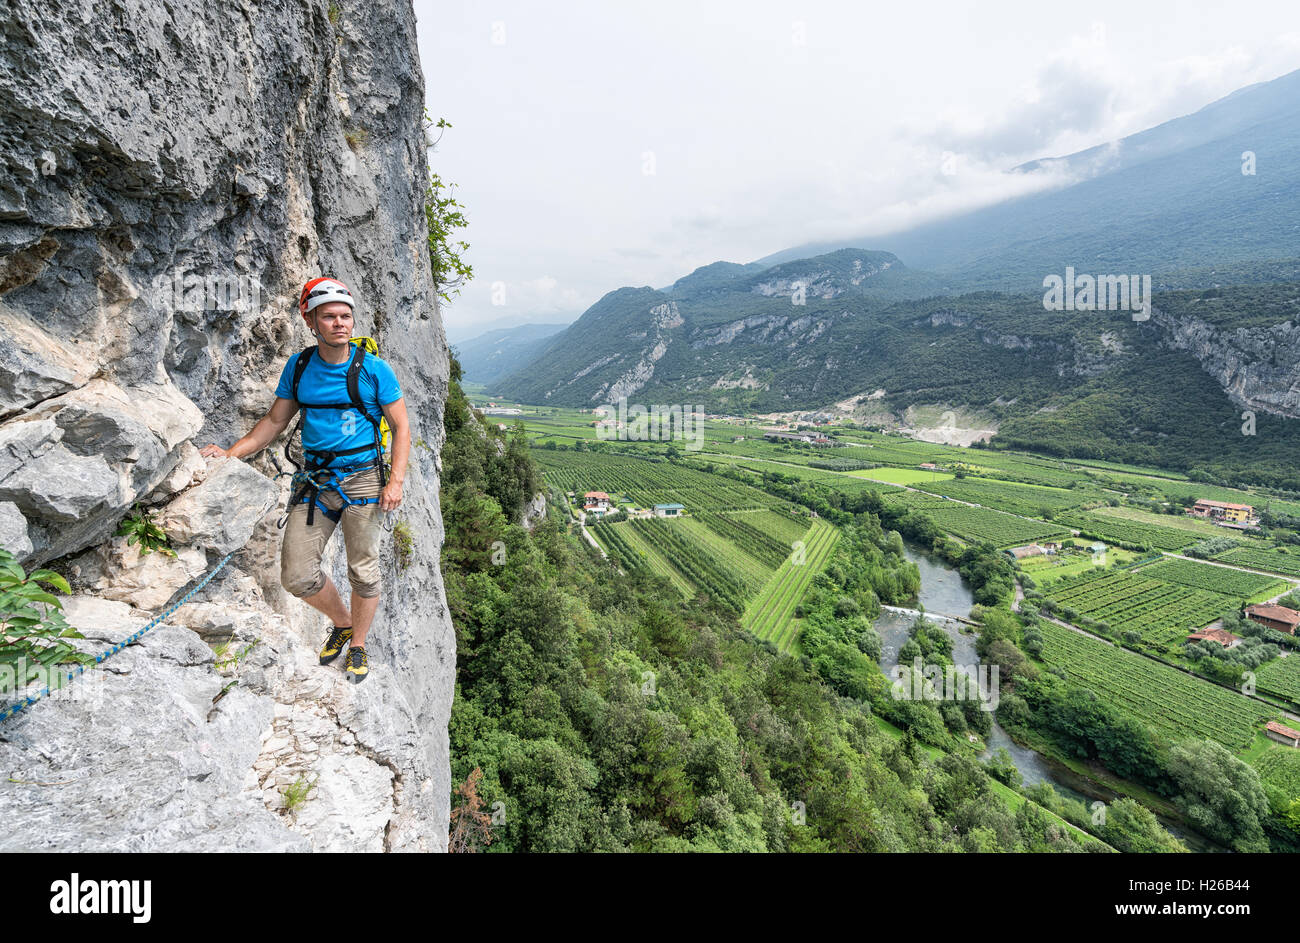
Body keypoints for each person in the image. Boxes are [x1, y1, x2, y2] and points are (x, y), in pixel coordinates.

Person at [201, 277, 410, 683]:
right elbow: (275, 421)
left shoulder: (373, 370)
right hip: (316, 482)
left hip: (364, 480)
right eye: (329, 316)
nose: (340, 324)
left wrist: (395, 481)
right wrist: (230, 453)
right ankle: (344, 622)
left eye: (345, 316)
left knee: (364, 571)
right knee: (297, 575)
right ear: (310, 319)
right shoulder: (299, 367)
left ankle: (359, 645)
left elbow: (400, 427)